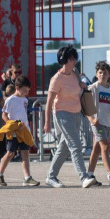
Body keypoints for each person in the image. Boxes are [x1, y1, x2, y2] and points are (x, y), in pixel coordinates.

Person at [44, 45, 99, 188]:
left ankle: (51, 177)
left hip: (76, 113)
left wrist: (81, 84)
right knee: (75, 145)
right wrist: (47, 122)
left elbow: (80, 85)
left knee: (64, 148)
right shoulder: (56, 79)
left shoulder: (75, 73)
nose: (75, 60)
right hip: (62, 114)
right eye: (72, 58)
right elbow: (49, 102)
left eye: (75, 58)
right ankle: (84, 177)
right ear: (64, 60)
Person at [0, 75, 39, 187]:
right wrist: (12, 124)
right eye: (24, 90)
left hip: (24, 130)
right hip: (13, 131)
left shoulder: (25, 100)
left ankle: (27, 177)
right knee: (10, 153)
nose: (26, 93)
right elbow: (4, 115)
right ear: (17, 88)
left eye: (28, 91)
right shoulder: (10, 100)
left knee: (25, 153)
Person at [86, 61, 110, 183]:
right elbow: (86, 105)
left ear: (109, 75)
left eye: (105, 73)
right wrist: (92, 119)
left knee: (96, 149)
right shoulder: (93, 88)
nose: (102, 75)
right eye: (100, 72)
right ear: (96, 74)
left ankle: (89, 174)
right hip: (97, 123)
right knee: (105, 147)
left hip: (107, 122)